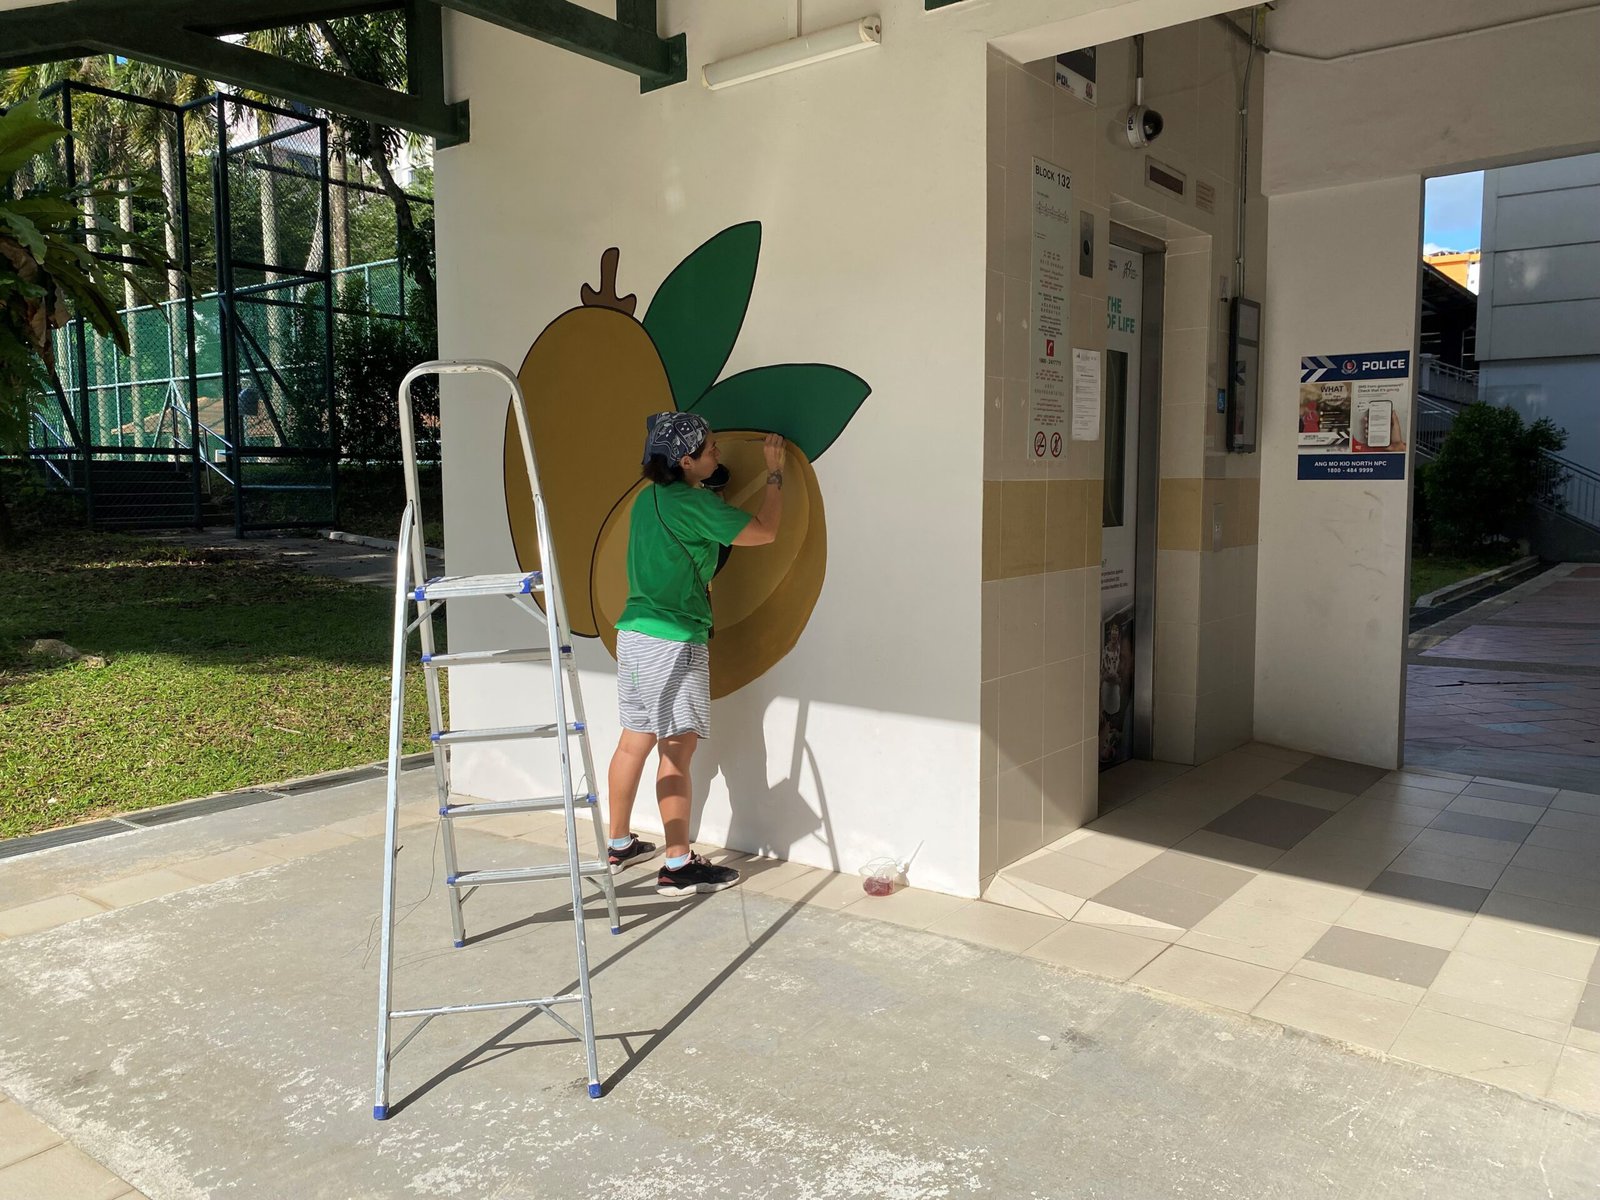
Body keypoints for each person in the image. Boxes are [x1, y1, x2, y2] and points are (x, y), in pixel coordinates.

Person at [602, 411, 786, 897]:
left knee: (632, 743)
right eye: (708, 449)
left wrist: (711, 484)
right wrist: (774, 474)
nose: (717, 452)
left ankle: (618, 843)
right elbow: (765, 531)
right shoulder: (692, 505)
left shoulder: (649, 498)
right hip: (674, 641)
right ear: (685, 461)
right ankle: (678, 865)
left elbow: (696, 520)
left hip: (635, 635)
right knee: (676, 751)